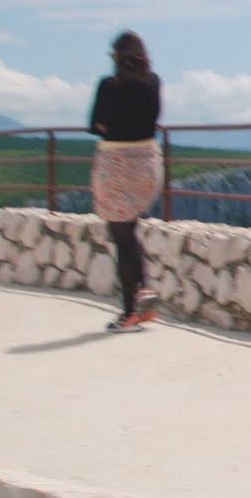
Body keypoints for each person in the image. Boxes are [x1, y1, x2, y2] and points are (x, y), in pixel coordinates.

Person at [87, 31, 164, 333]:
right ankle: (143, 292)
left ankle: (130, 310)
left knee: (122, 235)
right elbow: (153, 117)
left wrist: (113, 124)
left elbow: (94, 125)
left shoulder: (109, 85)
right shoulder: (154, 82)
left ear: (116, 57)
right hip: (147, 163)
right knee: (130, 229)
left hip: (115, 164)